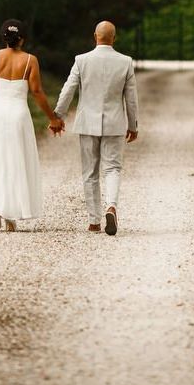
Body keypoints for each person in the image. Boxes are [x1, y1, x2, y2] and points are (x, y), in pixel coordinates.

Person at [54, 21, 138, 235]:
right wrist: (133, 124)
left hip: (87, 123)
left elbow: (68, 90)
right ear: (114, 38)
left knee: (90, 172)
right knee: (113, 169)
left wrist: (58, 116)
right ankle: (111, 206)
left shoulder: (81, 60)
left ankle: (94, 221)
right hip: (115, 124)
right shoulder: (125, 62)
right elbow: (131, 99)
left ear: (95, 36)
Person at [0, 19, 64, 232]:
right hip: (17, 115)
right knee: (15, 160)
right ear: (22, 38)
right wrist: (53, 118)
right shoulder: (30, 60)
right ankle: (11, 214)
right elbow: (37, 92)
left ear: (3, 37)